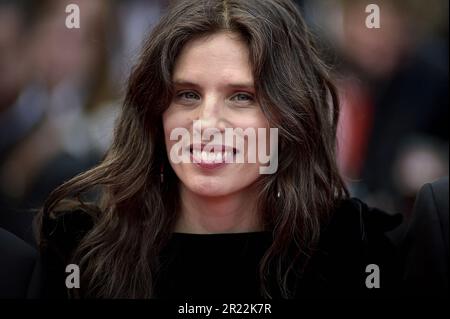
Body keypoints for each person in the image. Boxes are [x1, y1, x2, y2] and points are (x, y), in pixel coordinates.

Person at [35, 0, 403, 299]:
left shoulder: (352, 250)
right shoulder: (82, 253)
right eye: (187, 95)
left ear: (289, 116)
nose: (208, 123)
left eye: (242, 97)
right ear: (155, 112)